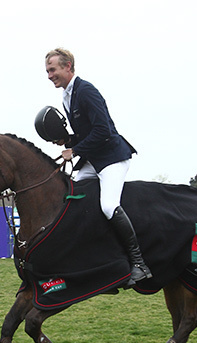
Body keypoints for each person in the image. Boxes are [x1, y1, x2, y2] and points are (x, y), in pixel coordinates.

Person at [44, 47, 151, 283]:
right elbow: (87, 132)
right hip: (94, 159)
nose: (49, 75)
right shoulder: (66, 96)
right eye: (47, 71)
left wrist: (75, 150)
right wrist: (69, 140)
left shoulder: (86, 91)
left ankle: (139, 263)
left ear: (67, 66)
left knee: (108, 206)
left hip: (112, 157)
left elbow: (103, 130)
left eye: (52, 70)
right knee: (70, 198)